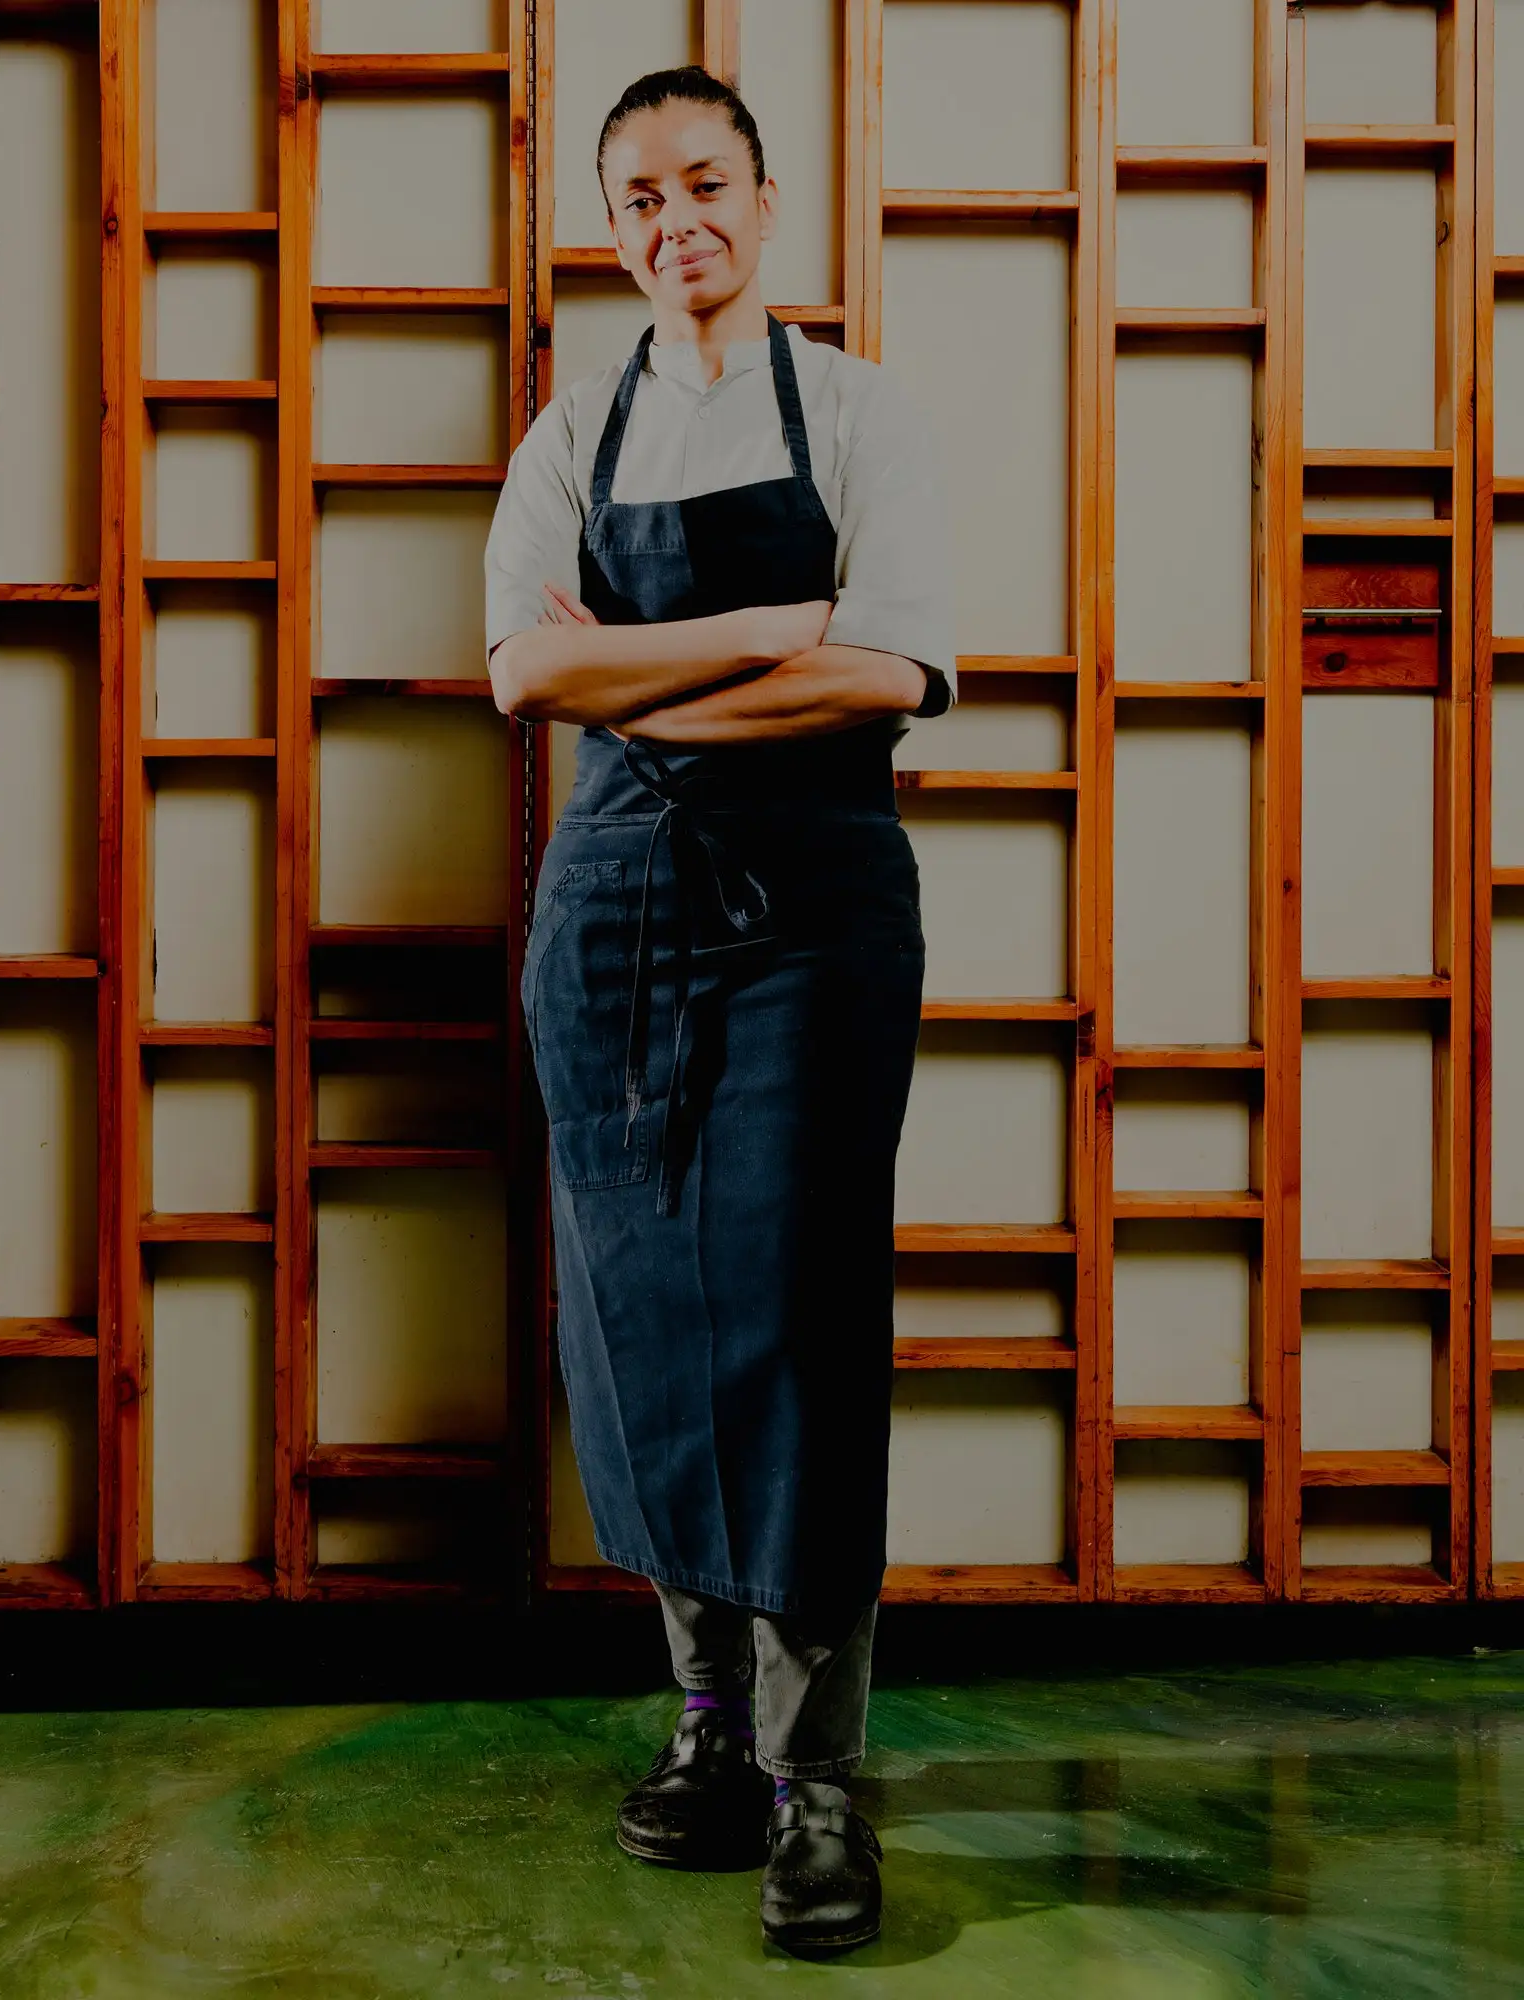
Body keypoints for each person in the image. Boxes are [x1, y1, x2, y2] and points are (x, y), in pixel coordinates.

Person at [484, 64, 952, 1956]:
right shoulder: (565, 438)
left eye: (704, 185)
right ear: (616, 230)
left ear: (764, 206)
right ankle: (704, 1732)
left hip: (815, 915)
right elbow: (522, 669)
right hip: (612, 918)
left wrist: (638, 682)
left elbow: (899, 668)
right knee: (639, 1316)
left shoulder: (857, 410)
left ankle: (819, 1780)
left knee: (798, 1316)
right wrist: (770, 631)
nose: (674, 220)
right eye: (638, 197)